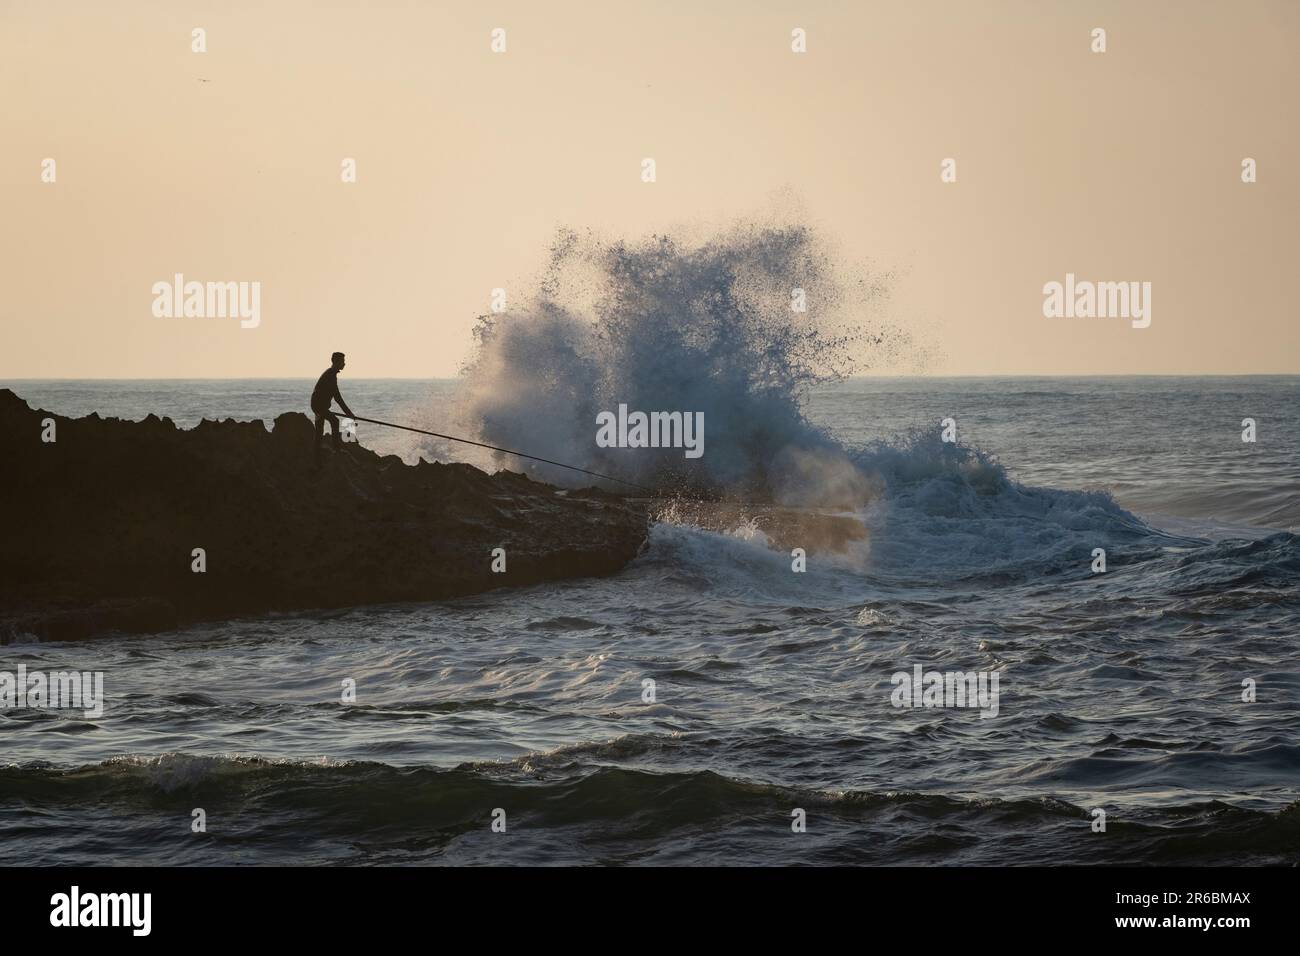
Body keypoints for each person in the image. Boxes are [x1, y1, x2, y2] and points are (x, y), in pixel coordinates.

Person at [311, 352, 355, 464]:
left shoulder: (331, 374)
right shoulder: (330, 375)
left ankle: (316, 456)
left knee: (319, 430)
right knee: (334, 421)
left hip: (318, 405)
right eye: (342, 361)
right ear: (336, 362)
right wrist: (349, 413)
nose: (344, 363)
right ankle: (336, 449)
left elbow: (334, 396)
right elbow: (337, 398)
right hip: (319, 406)